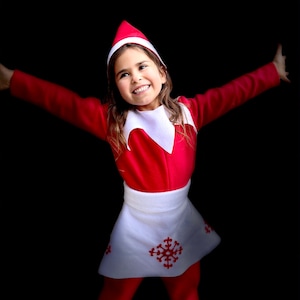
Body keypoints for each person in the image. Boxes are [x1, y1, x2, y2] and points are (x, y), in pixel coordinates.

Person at [0, 20, 290, 300]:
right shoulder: (113, 122)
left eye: (141, 66)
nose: (136, 77)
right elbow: (62, 102)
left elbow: (232, 93)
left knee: (186, 288)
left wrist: (272, 73)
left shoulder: (190, 112)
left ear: (162, 72)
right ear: (116, 87)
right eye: (123, 74)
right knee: (117, 291)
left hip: (179, 220)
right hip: (137, 223)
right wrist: (13, 79)